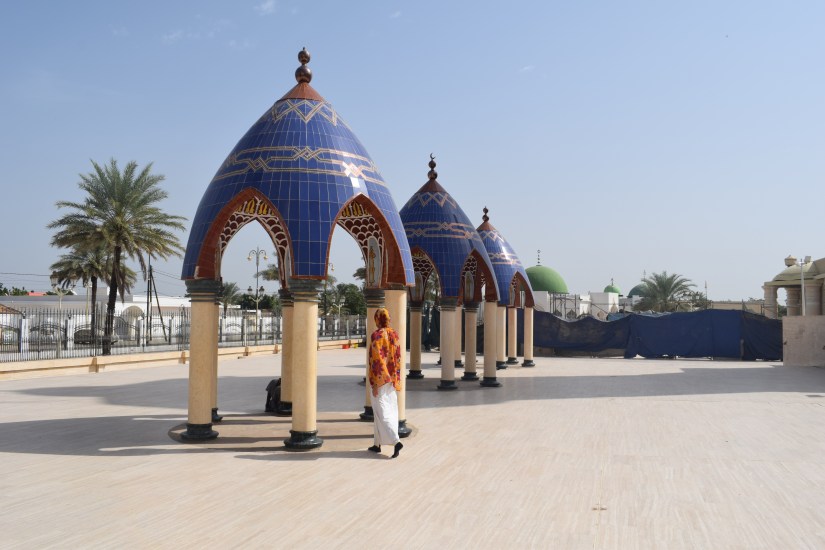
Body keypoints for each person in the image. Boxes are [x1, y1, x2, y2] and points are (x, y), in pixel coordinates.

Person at [367, 307, 403, 458]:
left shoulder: (377, 335)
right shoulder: (394, 334)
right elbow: (398, 357)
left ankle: (396, 441)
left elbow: (377, 360)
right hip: (392, 378)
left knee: (382, 412)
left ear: (377, 319)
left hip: (381, 379)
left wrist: (375, 383)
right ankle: (377, 444)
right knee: (389, 410)